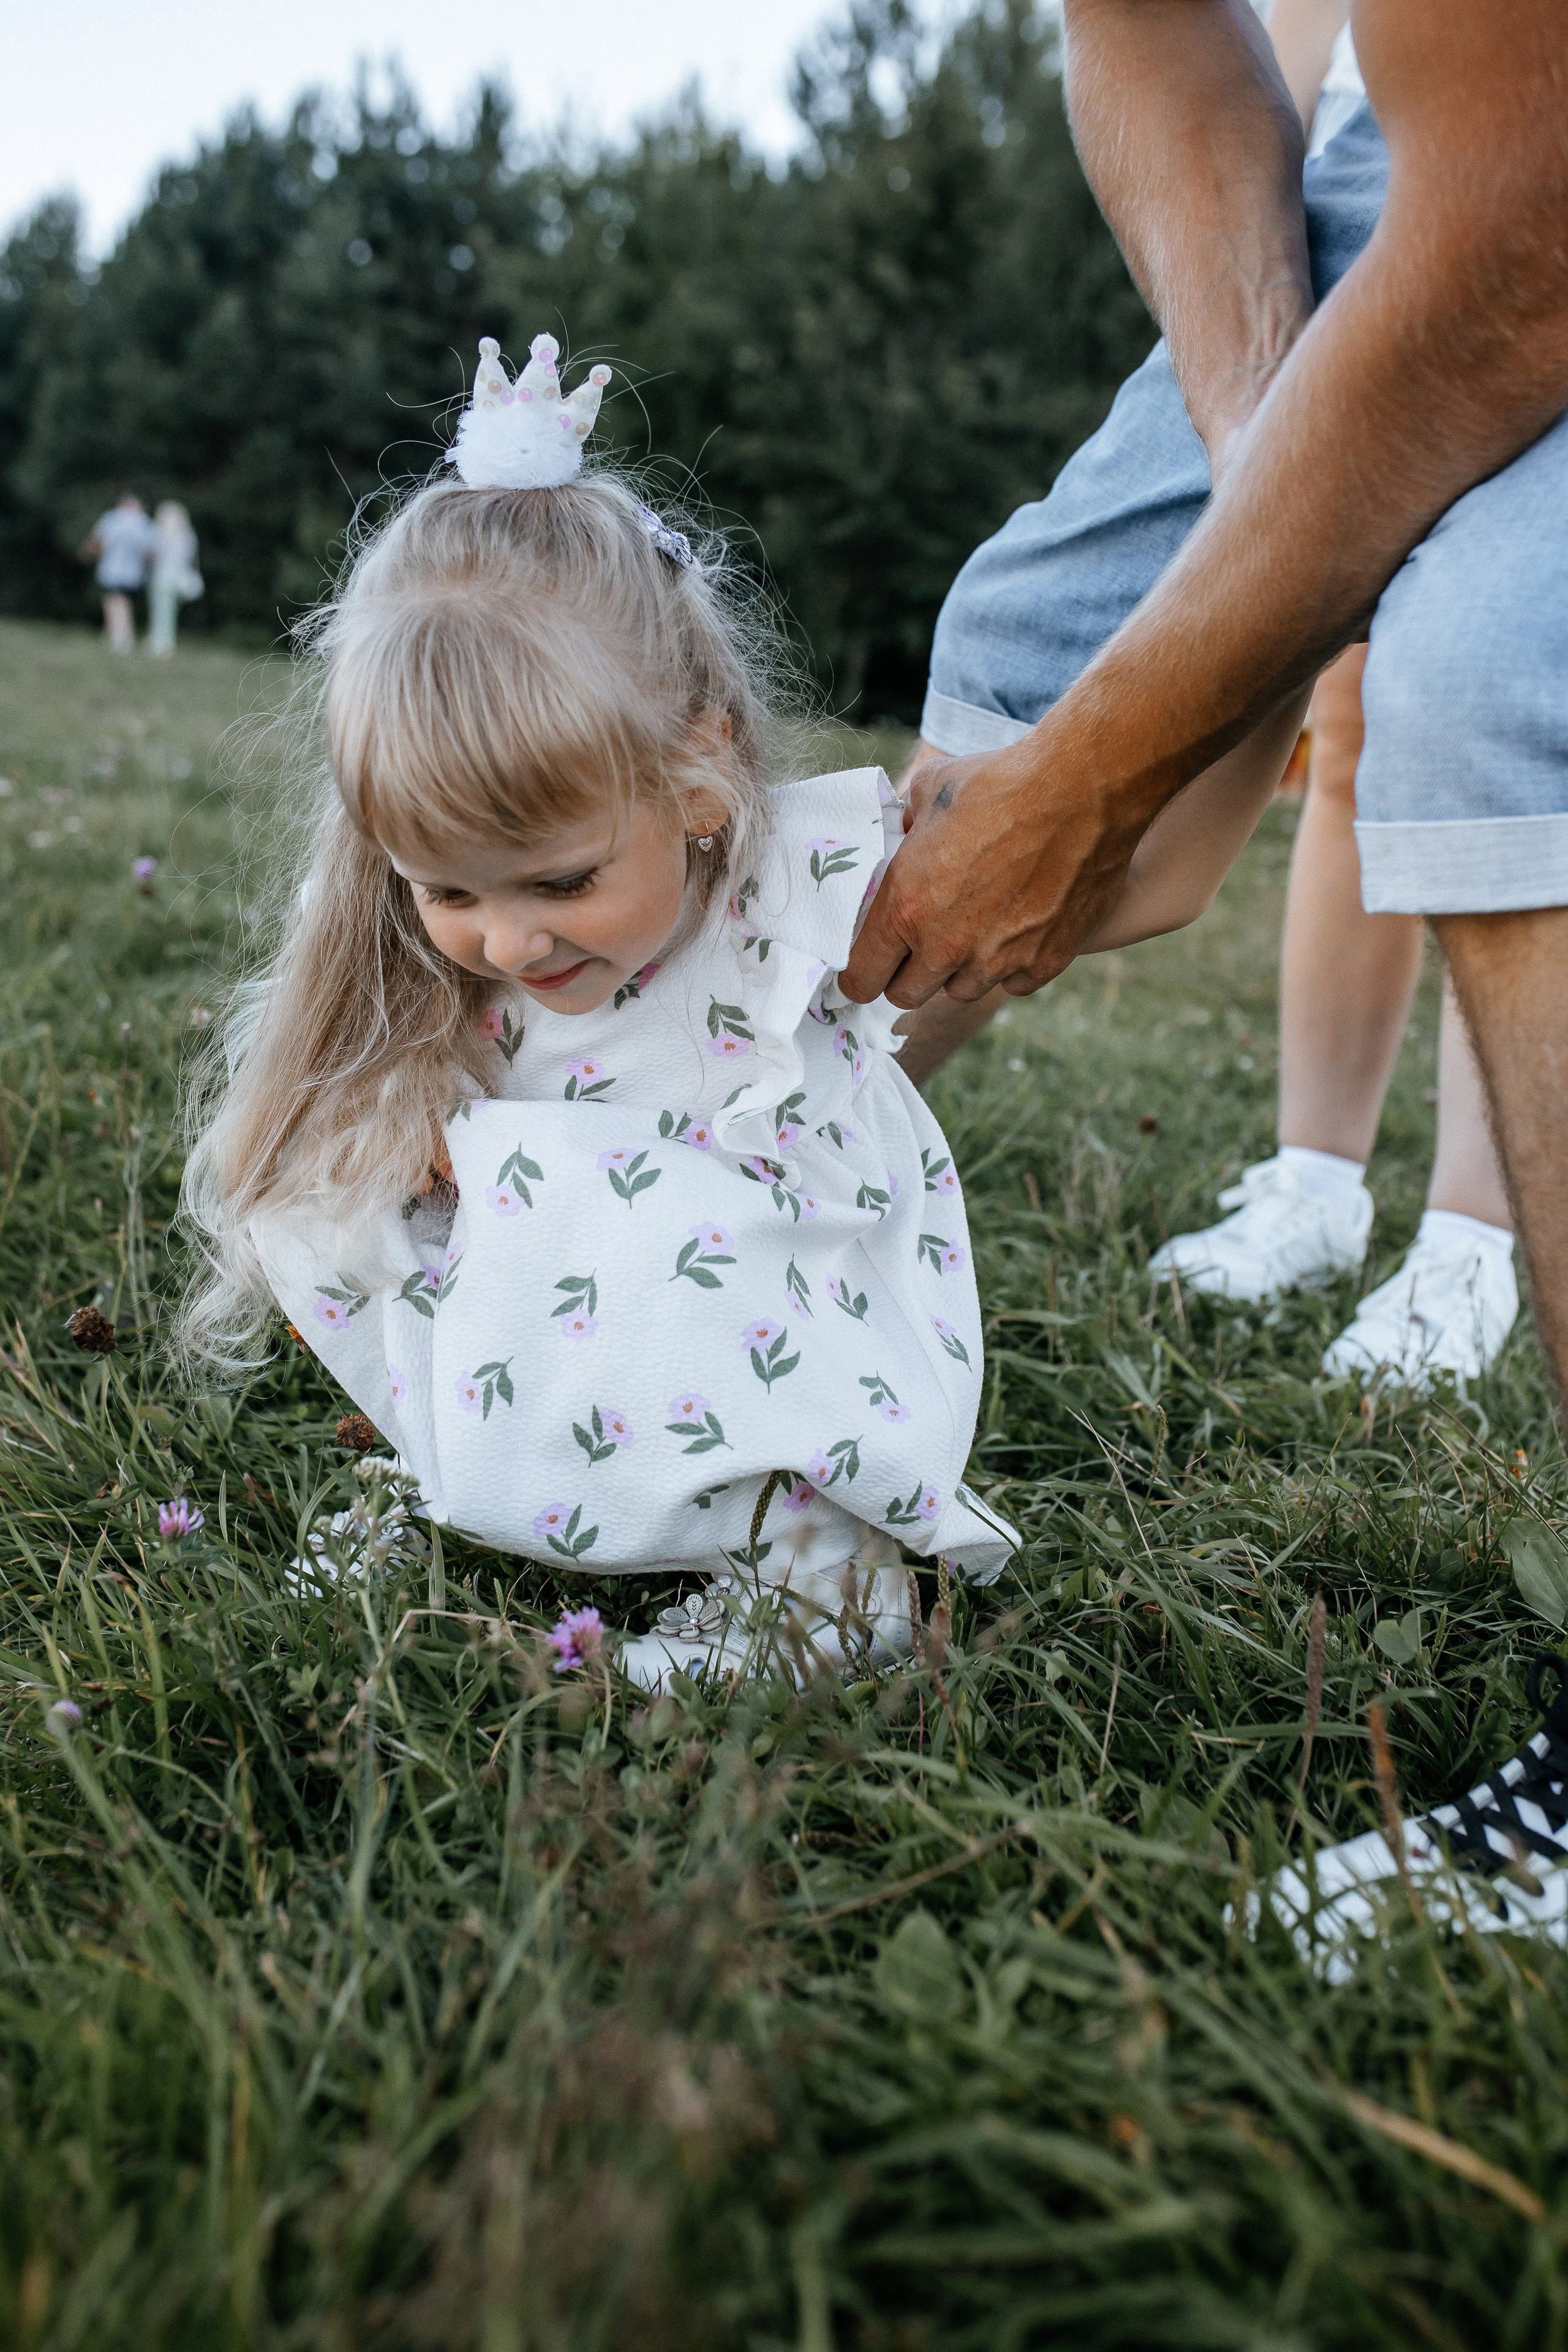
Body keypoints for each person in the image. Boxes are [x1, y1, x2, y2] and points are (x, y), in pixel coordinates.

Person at [842, 1, 1568, 1945]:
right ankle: (642, 1221)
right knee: (1030, 631)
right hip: (1401, 146)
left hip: (1534, 166)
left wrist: (1105, 766)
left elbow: (1521, 250)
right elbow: (1150, 32)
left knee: (1496, 672)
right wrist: (1259, 455)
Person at [1144, 4, 1517, 1393]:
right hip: (1362, 161)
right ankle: (1315, 1181)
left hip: (1522, 155)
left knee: (1508, 737)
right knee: (1348, 726)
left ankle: (1469, 1244)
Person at [79, 490, 156, 652]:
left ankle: (121, 639)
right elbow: (151, 552)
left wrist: (88, 554)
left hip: (112, 570)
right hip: (134, 573)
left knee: (114, 602)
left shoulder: (113, 518)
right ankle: (114, 636)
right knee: (122, 603)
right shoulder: (145, 523)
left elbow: (97, 542)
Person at [147, 501, 203, 657]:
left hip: (162, 575)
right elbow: (191, 558)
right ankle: (167, 642)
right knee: (172, 612)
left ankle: (159, 643)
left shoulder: (158, 531)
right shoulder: (187, 534)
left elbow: (153, 555)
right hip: (180, 576)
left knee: (160, 611)